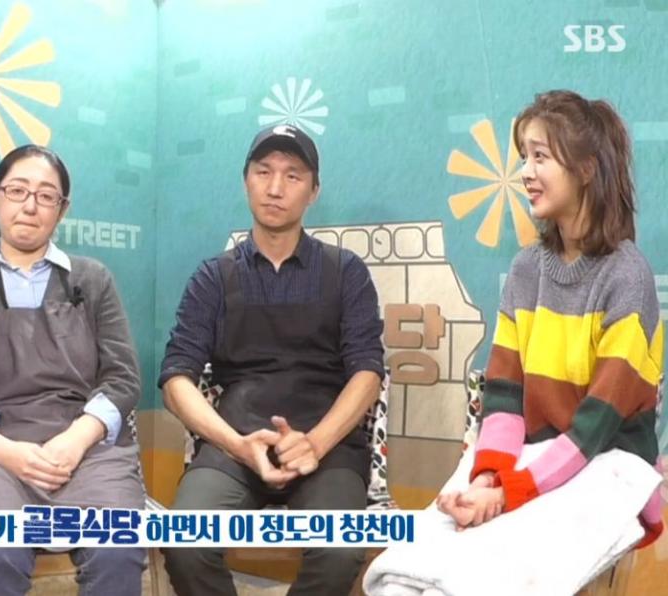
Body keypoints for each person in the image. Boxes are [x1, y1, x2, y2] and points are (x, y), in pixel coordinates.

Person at [159, 123, 385, 595]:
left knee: (339, 549)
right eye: (264, 172)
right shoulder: (213, 277)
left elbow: (367, 372)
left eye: (293, 175)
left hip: (326, 448)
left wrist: (316, 444)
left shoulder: (345, 272)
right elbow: (176, 378)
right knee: (184, 541)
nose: (276, 187)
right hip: (234, 445)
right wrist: (236, 444)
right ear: (246, 181)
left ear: (314, 191)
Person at [436, 90, 663, 547]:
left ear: (586, 168)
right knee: (447, 529)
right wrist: (487, 480)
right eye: (524, 156)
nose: (525, 172)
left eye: (539, 156)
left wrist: (509, 493)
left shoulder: (628, 277)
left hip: (609, 464)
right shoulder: (525, 269)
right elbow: (504, 397)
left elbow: (593, 430)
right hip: (534, 458)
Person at [0, 144, 146, 596]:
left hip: (86, 449)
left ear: (62, 209)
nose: (30, 205)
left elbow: (123, 376)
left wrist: (76, 439)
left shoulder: (93, 279)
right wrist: (8, 453)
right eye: (17, 190)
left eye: (46, 195)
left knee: (117, 548)